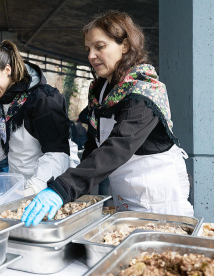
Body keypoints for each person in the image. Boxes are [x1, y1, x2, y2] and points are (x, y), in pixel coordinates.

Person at [22, 10, 194, 226]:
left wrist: (64, 188)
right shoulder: (101, 91)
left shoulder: (144, 90)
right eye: (88, 49)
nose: (91, 56)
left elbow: (118, 146)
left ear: (125, 45)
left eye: (100, 46)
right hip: (126, 195)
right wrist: (67, 186)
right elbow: (95, 146)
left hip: (159, 198)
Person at [0, 40, 79, 195]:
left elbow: (58, 153)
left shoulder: (43, 99)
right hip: (19, 185)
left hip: (50, 186)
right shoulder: (0, 102)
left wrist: (36, 186)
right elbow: (8, 151)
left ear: (7, 69)